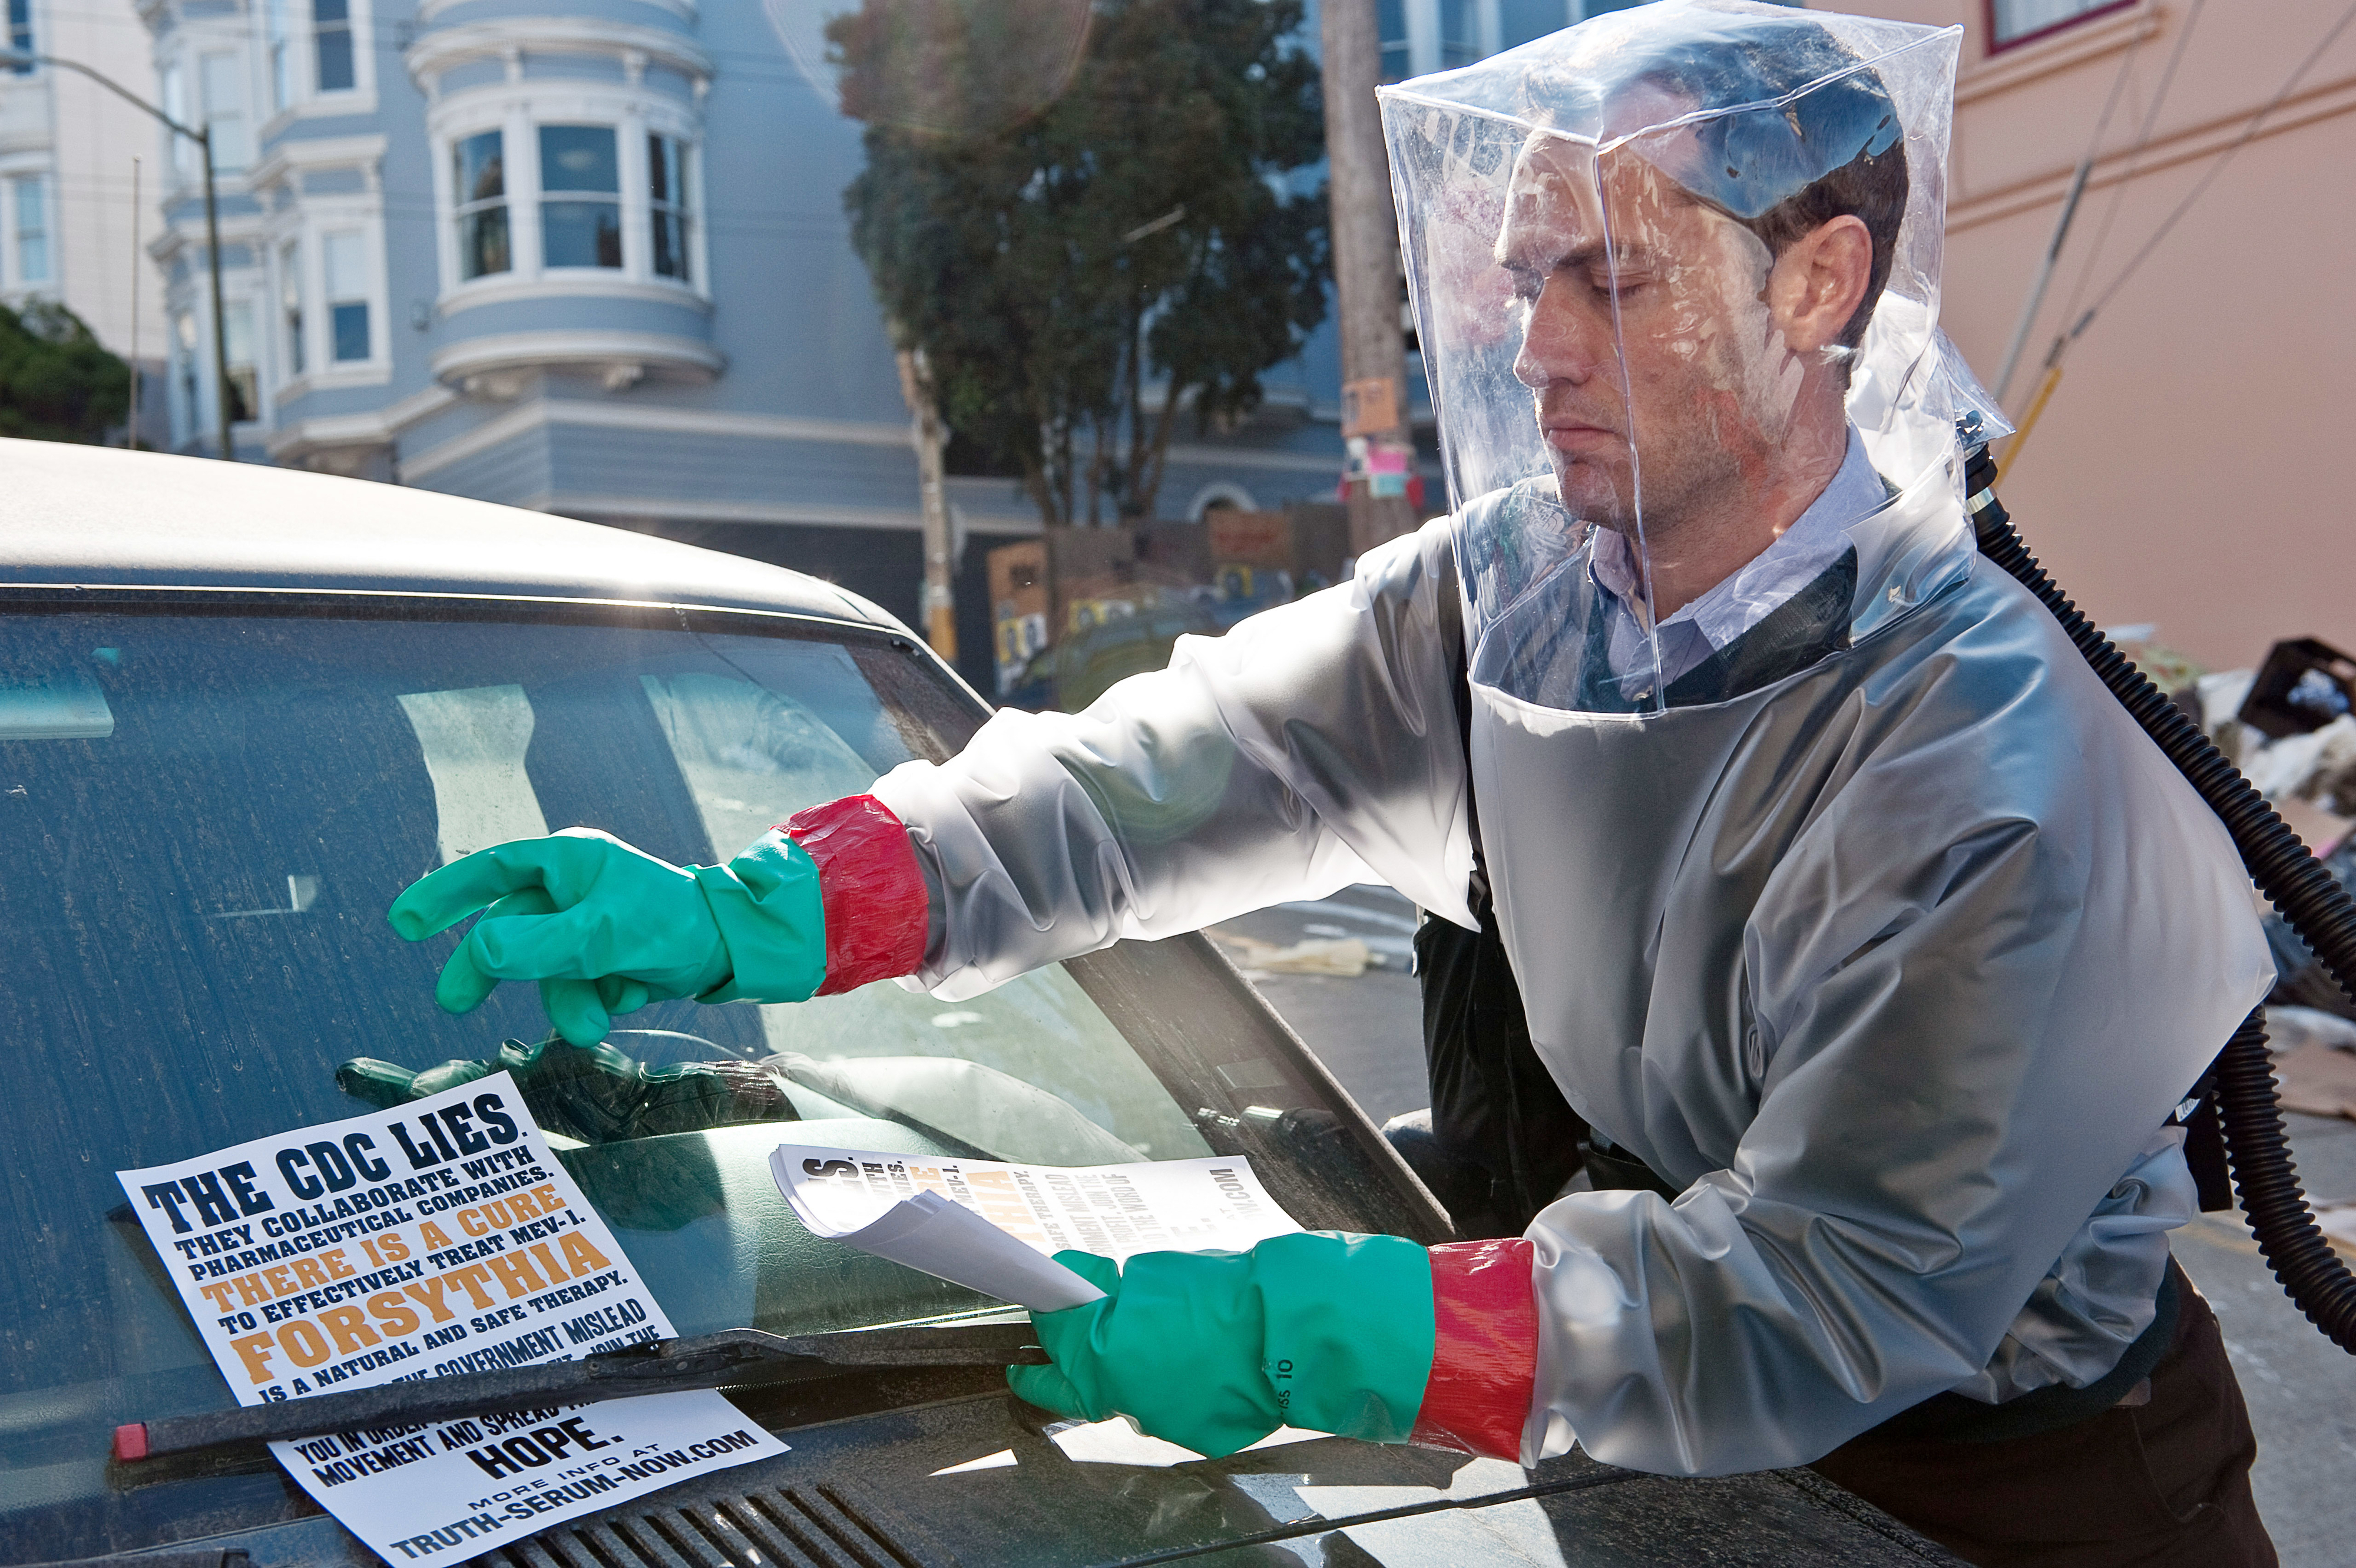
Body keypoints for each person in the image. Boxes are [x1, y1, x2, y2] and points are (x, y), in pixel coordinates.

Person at [386, 4, 2277, 1562]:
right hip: (1654, 1440)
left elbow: (1836, 1289)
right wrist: (766, 909)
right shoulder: (1531, 598)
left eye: (1609, 280)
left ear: (1817, 285)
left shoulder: (1995, 760)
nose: (1536, 350)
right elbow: (1172, 770)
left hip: (2005, 1484)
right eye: (1529, 278)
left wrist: (1319, 1326)